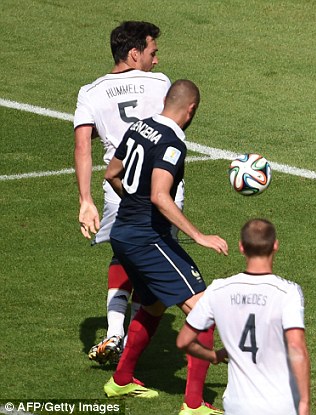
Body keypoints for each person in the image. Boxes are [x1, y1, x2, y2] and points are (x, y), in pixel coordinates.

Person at [103, 79, 228, 415]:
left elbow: (112, 172)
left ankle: (121, 380)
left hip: (123, 235)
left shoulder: (139, 126)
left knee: (154, 306)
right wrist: (199, 235)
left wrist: (133, 202)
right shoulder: (172, 143)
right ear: (191, 110)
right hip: (147, 238)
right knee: (204, 311)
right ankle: (193, 404)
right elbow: (160, 195)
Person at [74, 21, 182, 364]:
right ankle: (131, 351)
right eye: (152, 52)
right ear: (134, 53)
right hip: (163, 191)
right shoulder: (160, 83)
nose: (157, 60)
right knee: (153, 266)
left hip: (117, 191)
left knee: (123, 256)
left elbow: (82, 146)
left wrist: (85, 200)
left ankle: (114, 331)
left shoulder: (90, 92)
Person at [176, 219, 311, 415]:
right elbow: (297, 347)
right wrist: (305, 402)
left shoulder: (218, 290)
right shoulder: (288, 292)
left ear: (241, 247)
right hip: (281, 404)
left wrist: (213, 355)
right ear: (275, 245)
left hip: (237, 404)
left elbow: (184, 341)